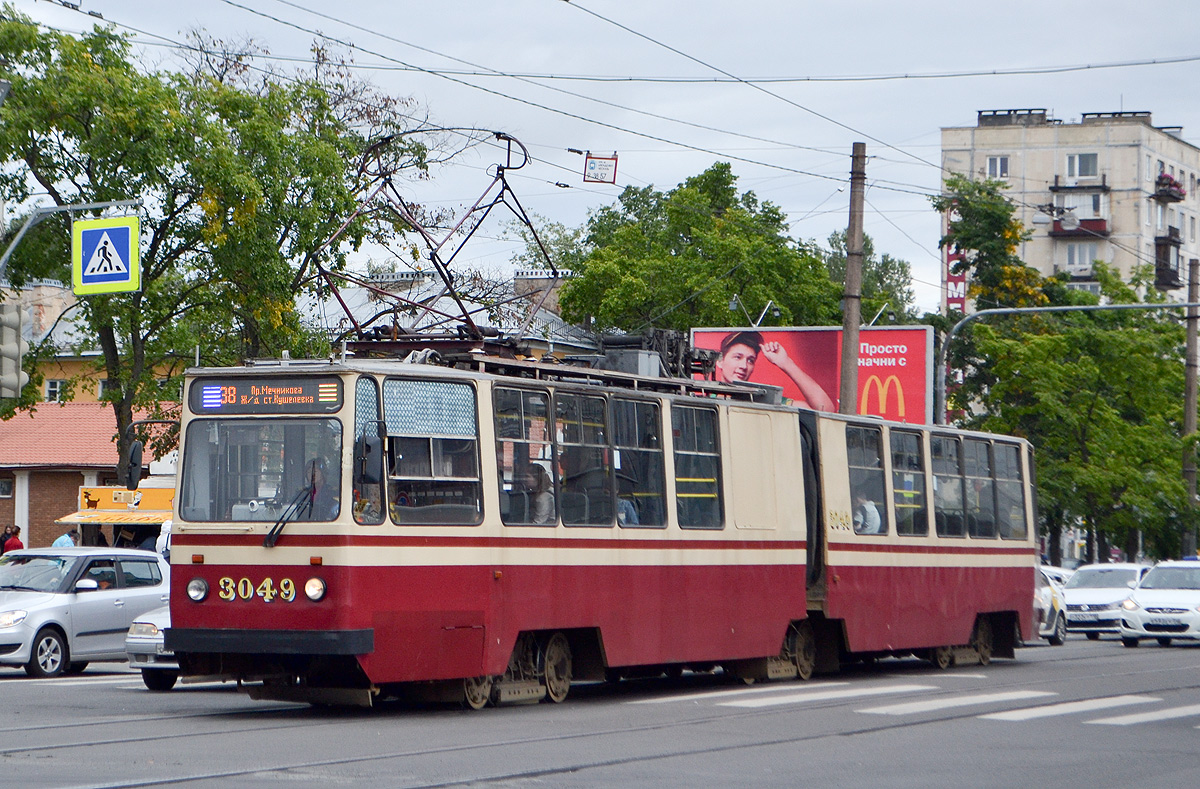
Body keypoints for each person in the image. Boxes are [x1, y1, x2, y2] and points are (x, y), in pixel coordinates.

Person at [714, 331, 835, 412]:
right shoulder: (702, 397)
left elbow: (825, 409)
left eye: (750, 360)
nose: (744, 366)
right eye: (737, 357)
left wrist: (785, 362)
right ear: (720, 361)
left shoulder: (763, 400)